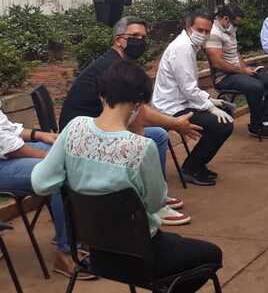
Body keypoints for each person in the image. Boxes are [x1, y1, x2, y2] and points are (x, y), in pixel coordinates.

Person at [32, 60, 223, 293]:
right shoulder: (142, 147)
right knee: (212, 254)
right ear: (139, 103)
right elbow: (156, 203)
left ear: (101, 95)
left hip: (97, 255)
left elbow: (40, 183)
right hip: (144, 256)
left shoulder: (74, 128)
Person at [59, 16, 200, 224]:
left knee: (158, 136)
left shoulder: (120, 64)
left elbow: (137, 109)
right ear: (118, 40)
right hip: (85, 136)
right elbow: (139, 114)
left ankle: (154, 195)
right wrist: (175, 123)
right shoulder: (111, 67)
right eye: (134, 36)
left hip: (103, 127)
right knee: (147, 141)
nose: (140, 41)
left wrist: (166, 124)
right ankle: (150, 205)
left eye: (143, 37)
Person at [0, 105, 85, 279]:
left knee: (71, 150)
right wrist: (52, 158)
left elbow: (7, 129)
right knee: (56, 172)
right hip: (4, 161)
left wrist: (39, 135)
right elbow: (10, 147)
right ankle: (67, 252)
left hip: (8, 153)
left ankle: (80, 234)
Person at [153, 11, 234, 187]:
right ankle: (191, 167)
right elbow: (189, 88)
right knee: (222, 125)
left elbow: (189, 87)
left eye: (207, 31)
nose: (203, 35)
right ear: (189, 27)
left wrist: (210, 101)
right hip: (171, 106)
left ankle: (198, 162)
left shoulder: (189, 45)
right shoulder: (182, 48)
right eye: (200, 30)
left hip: (183, 100)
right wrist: (210, 106)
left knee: (225, 115)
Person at [205, 3, 268, 139]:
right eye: (236, 24)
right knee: (255, 86)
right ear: (225, 19)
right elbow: (217, 63)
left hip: (238, 72)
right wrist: (242, 71)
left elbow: (235, 53)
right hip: (224, 77)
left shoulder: (229, 29)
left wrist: (246, 68)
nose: (236, 27)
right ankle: (256, 126)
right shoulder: (214, 33)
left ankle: (265, 121)